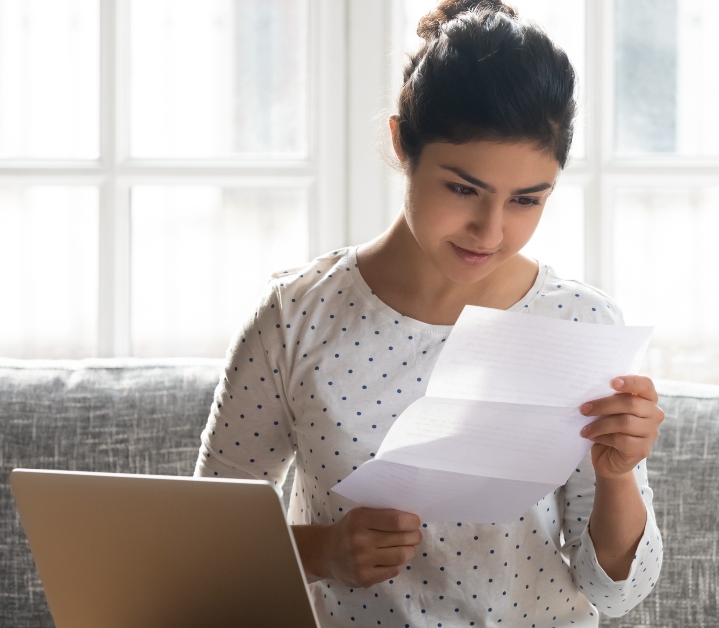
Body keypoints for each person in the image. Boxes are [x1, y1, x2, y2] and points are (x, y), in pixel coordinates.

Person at [194, 1, 664, 624]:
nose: (489, 231)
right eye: (463, 189)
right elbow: (202, 541)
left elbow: (617, 592)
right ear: (400, 144)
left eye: (526, 199)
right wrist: (323, 552)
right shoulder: (296, 317)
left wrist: (617, 475)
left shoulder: (580, 325)